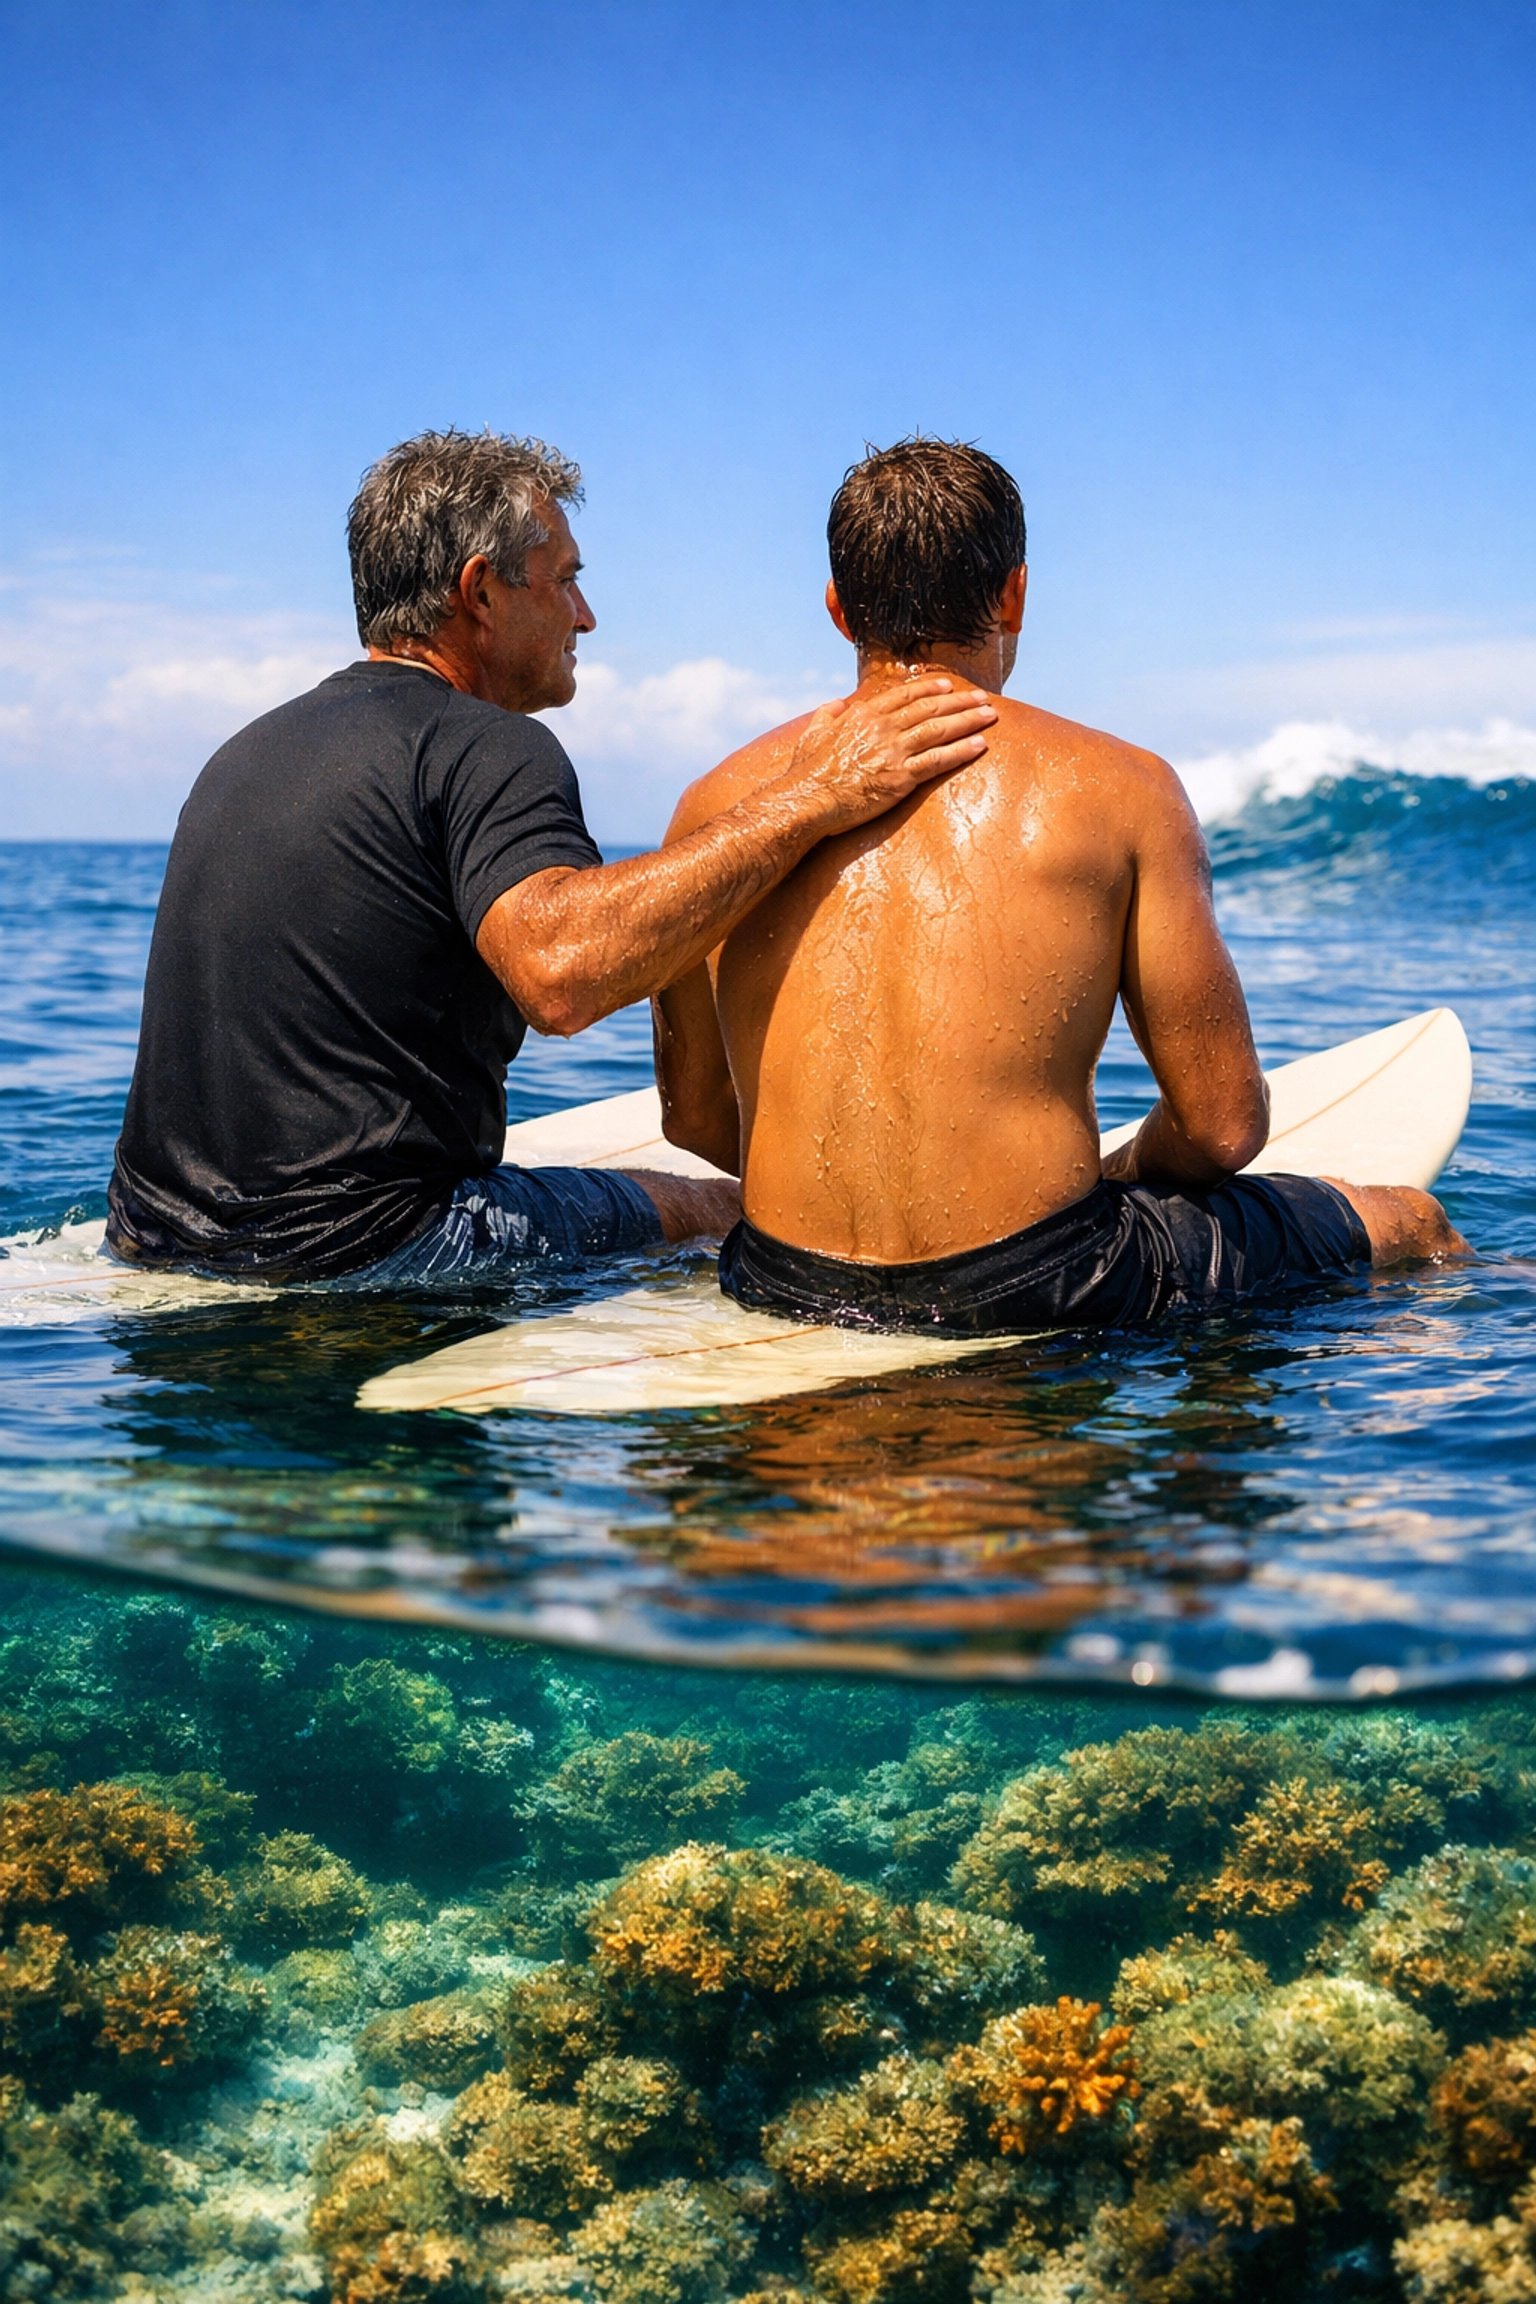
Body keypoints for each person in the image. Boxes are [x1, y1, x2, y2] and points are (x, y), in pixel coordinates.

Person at [106, 430, 996, 1284]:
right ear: (480, 591)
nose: (587, 616)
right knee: (724, 1213)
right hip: (371, 1253)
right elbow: (562, 974)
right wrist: (818, 796)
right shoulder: (487, 746)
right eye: (565, 581)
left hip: (148, 1234)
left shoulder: (244, 753)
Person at [653, 438, 1468, 1334]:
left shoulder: (716, 810)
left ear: (840, 611)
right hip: (1042, 1279)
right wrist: (1115, 1173)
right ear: (1015, 594)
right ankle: (1218, 1464)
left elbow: (693, 1119)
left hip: (784, 1276)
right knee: (1411, 1223)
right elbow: (1224, 1126)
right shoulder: (1123, 787)